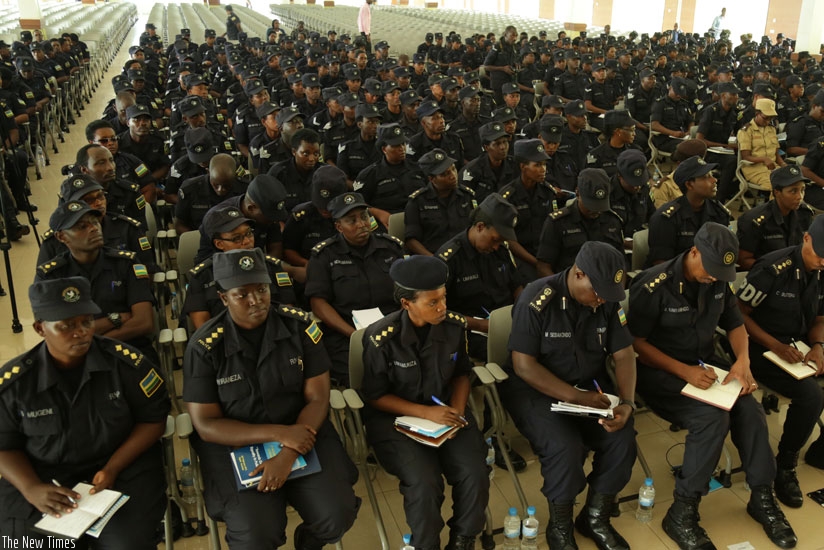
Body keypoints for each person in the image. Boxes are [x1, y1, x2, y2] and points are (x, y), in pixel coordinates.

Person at [629, 223, 797, 550]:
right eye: (710, 269)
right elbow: (636, 344)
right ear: (694, 251)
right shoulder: (653, 285)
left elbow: (734, 323)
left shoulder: (717, 279)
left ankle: (762, 496)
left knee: (749, 408)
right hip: (661, 373)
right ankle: (682, 510)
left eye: (722, 273)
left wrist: (742, 361)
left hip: (705, 366)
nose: (714, 277)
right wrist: (684, 371)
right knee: (712, 418)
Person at [183, 248, 360, 549]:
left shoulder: (300, 326)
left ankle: (309, 543)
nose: (256, 301)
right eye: (242, 294)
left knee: (337, 514)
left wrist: (289, 451)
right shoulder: (204, 347)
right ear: (224, 297)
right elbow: (206, 425)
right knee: (254, 534)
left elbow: (317, 398)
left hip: (303, 429)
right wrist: (279, 434)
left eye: (262, 290)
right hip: (236, 444)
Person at [0, 277, 169, 547]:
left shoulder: (125, 363)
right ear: (40, 328)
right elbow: (4, 446)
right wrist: (31, 488)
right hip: (44, 476)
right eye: (66, 326)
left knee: (127, 543)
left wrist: (112, 467)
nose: (81, 332)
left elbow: (153, 420)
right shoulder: (14, 384)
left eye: (87, 321)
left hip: (121, 468)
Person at [500, 242, 637, 550]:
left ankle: (594, 517)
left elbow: (625, 354)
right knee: (565, 447)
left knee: (622, 436)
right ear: (578, 274)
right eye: (597, 292)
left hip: (588, 387)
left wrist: (627, 402)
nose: (600, 300)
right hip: (535, 390)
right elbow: (524, 366)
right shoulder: (536, 299)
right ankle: (559, 526)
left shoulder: (607, 300)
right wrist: (576, 396)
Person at [361, 255, 489, 550]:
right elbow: (375, 396)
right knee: (424, 481)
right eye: (432, 302)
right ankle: (425, 545)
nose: (442, 307)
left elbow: (461, 374)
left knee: (474, 471)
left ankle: (463, 539)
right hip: (395, 420)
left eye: (443, 298)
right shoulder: (381, 338)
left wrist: (456, 410)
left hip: (445, 410)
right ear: (407, 304)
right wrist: (425, 412)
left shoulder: (454, 326)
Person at [736, 215, 824, 510]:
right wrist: (774, 344)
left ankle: (820, 451)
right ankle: (786, 465)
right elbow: (739, 317)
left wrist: (818, 346)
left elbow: (820, 318)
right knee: (811, 395)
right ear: (807, 240)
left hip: (799, 347)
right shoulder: (772, 269)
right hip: (762, 349)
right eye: (821, 253)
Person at [35, 201, 157, 361]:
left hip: (128, 352)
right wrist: (115, 319)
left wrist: (88, 340)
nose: (93, 228)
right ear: (61, 236)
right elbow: (57, 334)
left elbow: (144, 322)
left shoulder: (127, 263)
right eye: (81, 227)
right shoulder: (50, 276)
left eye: (94, 222)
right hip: (78, 359)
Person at [305, 192, 404, 382]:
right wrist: (355, 336)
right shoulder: (324, 255)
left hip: (393, 327)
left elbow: (407, 290)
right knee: (365, 375)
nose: (361, 224)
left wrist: (400, 325)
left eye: (364, 217)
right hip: (347, 333)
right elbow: (318, 303)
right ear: (338, 226)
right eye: (352, 220)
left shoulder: (391, 247)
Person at [536, 168, 625, 277]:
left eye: (600, 206)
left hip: (605, 283)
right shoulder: (557, 223)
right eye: (590, 205)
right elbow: (543, 266)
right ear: (577, 193)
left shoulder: (613, 221)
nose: (596, 211)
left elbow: (620, 263)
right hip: (569, 284)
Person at [647, 156, 731, 265]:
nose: (714, 180)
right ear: (689, 184)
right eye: (706, 177)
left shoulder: (719, 213)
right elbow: (661, 263)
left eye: (712, 175)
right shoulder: (666, 218)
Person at [736, 165, 814, 270]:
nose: (800, 196)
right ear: (777, 192)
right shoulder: (755, 220)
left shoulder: (805, 214)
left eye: (802, 190)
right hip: (767, 277)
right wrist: (773, 271)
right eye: (793, 191)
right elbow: (743, 260)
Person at [405, 149, 476, 255]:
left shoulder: (466, 196)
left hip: (464, 255)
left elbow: (476, 228)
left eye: (453, 169)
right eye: (445, 174)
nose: (453, 176)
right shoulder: (417, 202)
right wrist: (434, 260)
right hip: (433, 256)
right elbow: (411, 241)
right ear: (432, 179)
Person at [737, 98, 785, 191]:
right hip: (754, 169)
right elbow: (745, 156)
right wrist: (764, 159)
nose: (768, 121)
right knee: (777, 186)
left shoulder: (771, 129)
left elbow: (776, 154)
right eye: (765, 118)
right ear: (757, 114)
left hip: (773, 167)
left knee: (793, 182)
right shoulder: (746, 131)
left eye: (771, 118)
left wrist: (783, 164)